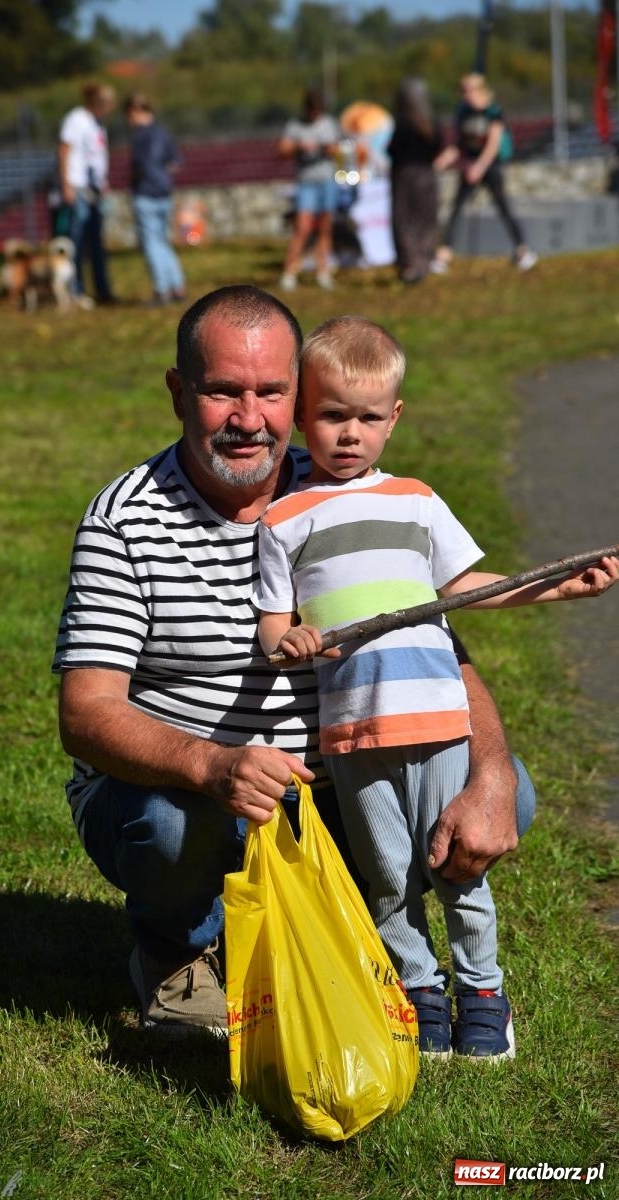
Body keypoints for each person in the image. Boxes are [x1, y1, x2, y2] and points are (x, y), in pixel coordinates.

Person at [53, 285, 536, 1039]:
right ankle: (178, 953)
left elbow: (432, 636)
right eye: (221, 392)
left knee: (501, 792)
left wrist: (495, 772)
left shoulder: (344, 489)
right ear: (178, 392)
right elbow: (86, 714)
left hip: (341, 775)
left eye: (271, 393)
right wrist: (213, 765)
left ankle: (385, 945)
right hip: (195, 791)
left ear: (300, 396)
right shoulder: (123, 520)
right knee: (168, 825)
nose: (249, 420)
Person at [255, 315, 618, 1058]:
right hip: (353, 737)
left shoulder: (417, 502)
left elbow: (466, 589)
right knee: (388, 878)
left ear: (394, 419)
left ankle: (481, 990)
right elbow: (271, 628)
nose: (348, 434)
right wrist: (287, 640)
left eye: (366, 417)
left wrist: (558, 589)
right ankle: (418, 990)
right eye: (330, 416)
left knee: (454, 869)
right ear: (301, 416)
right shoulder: (282, 519)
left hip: (438, 725)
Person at [433, 73, 537, 273]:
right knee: (456, 209)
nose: (466, 94)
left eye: (470, 89)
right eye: (463, 90)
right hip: (470, 165)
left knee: (503, 207)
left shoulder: (493, 112)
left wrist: (479, 168)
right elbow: (458, 145)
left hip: (490, 165)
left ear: (480, 90)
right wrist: (439, 163)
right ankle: (444, 254)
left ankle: (523, 250)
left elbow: (493, 144)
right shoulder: (463, 112)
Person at [124, 93, 187, 307]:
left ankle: (161, 290)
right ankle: (177, 285)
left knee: (151, 243)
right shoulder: (163, 132)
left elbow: (141, 166)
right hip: (164, 192)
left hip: (146, 192)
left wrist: (136, 180)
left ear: (134, 111)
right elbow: (176, 163)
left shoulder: (140, 136)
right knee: (162, 240)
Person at [58, 82, 117, 307]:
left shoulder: (98, 124)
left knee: (97, 242)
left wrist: (103, 182)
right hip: (78, 187)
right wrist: (66, 185)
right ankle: (75, 289)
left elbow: (97, 156)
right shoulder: (76, 120)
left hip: (95, 189)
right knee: (77, 241)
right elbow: (64, 151)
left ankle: (103, 289)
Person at [278, 88, 340, 292]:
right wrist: (299, 146)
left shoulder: (329, 123)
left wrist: (322, 147)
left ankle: (323, 271)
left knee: (325, 228)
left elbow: (336, 149)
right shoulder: (295, 126)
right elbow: (282, 150)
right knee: (302, 228)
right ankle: (289, 272)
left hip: (327, 181)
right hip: (307, 183)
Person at [387, 78, 445, 284]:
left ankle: (410, 265)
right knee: (426, 220)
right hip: (427, 174)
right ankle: (423, 262)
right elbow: (439, 146)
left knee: (405, 219)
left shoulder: (403, 123)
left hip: (405, 174)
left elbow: (392, 150)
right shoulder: (430, 122)